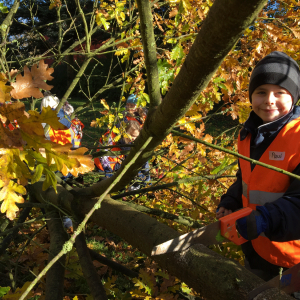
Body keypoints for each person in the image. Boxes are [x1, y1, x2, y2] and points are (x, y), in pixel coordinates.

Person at [216, 51, 300, 282]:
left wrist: (267, 218)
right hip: (257, 245)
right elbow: (247, 178)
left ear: (293, 97)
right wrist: (231, 201)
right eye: (261, 92)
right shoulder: (247, 135)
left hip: (293, 255)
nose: (269, 100)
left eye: (280, 93)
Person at [94, 120, 150, 186]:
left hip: (117, 165)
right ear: (125, 131)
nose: (134, 138)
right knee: (105, 185)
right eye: (132, 135)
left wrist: (144, 174)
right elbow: (103, 157)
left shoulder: (129, 140)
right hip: (104, 166)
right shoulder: (109, 137)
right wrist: (108, 173)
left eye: (136, 136)